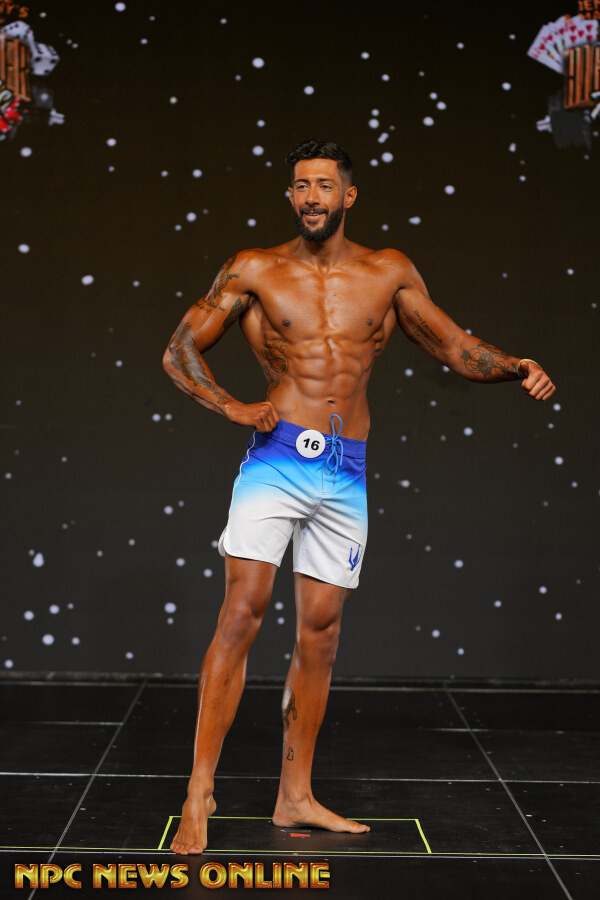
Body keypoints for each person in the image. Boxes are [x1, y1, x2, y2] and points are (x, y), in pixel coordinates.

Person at [162, 138, 556, 854]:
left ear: (348, 196)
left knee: (320, 634)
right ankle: (199, 792)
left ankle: (295, 795)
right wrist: (232, 407)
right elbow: (179, 349)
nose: (311, 196)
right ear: (290, 196)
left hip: (346, 471)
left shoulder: (388, 271)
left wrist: (514, 365)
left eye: (324, 185)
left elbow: (453, 346)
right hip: (277, 460)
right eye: (300, 185)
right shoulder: (254, 268)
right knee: (242, 612)